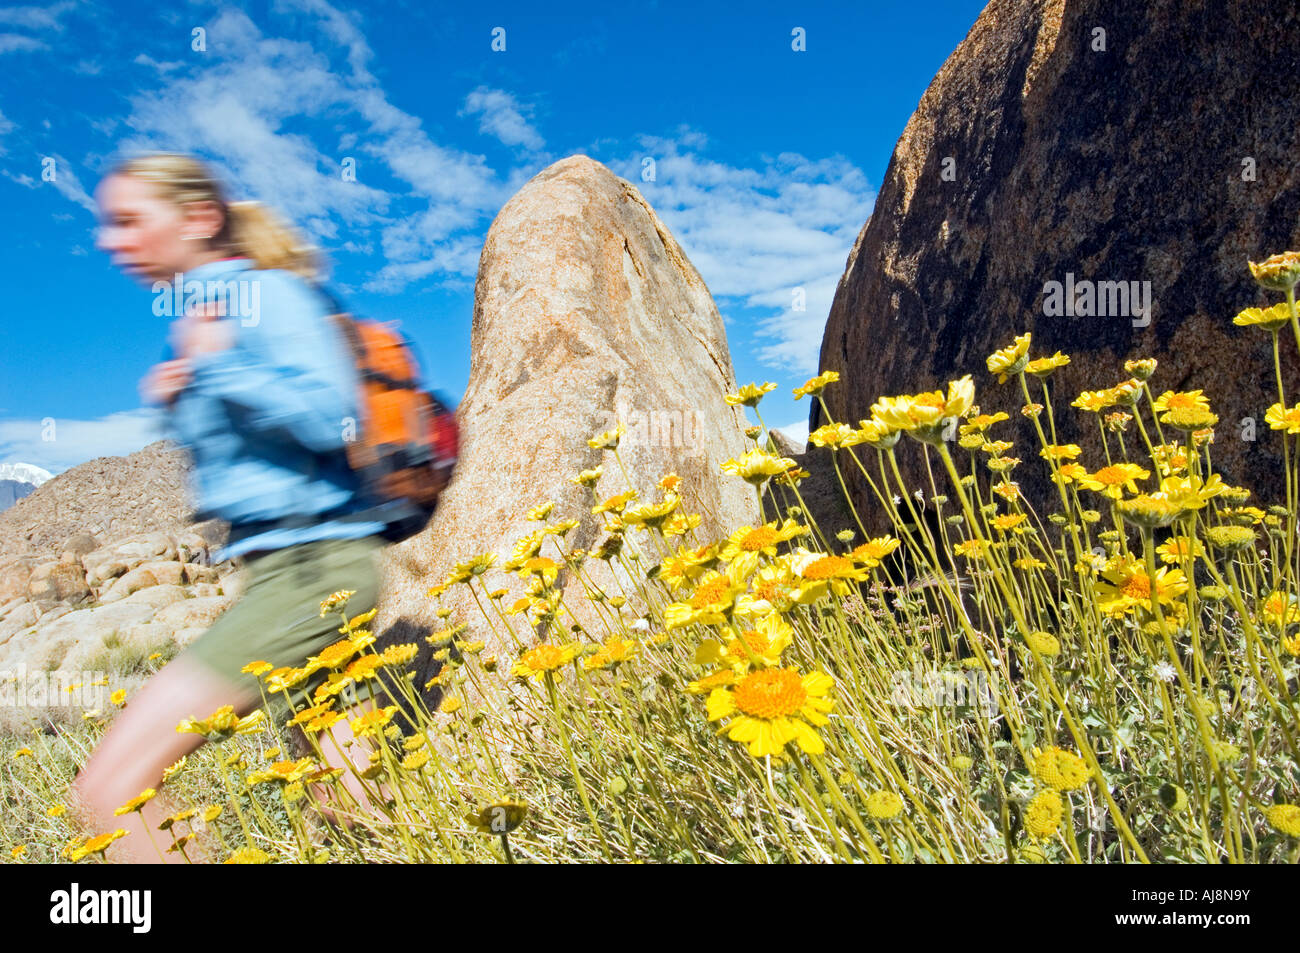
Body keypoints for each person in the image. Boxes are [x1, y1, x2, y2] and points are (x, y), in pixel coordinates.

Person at [70, 152, 395, 863]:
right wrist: (188, 390)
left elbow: (335, 416)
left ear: (199, 218)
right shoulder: (202, 316)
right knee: (347, 801)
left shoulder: (264, 297)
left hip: (312, 573)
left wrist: (217, 367)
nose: (108, 240)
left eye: (128, 220)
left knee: (109, 787)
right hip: (290, 572)